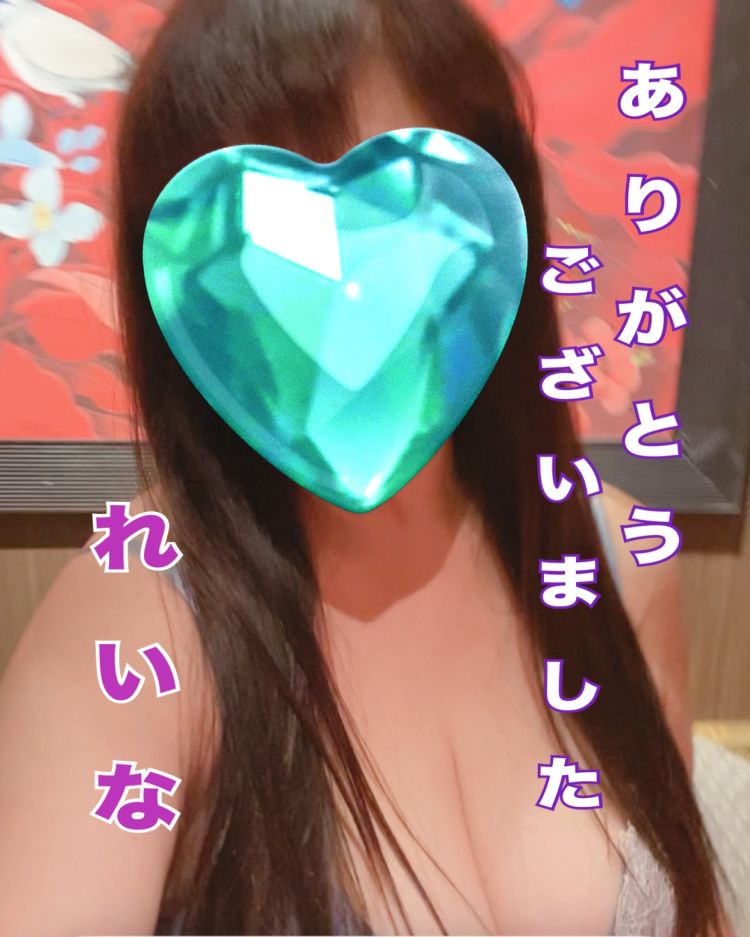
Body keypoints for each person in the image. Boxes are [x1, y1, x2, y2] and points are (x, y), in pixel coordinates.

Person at [0, 1, 729, 935]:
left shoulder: (619, 561)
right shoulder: (134, 623)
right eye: (265, 245)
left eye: (398, 221)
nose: (340, 297)